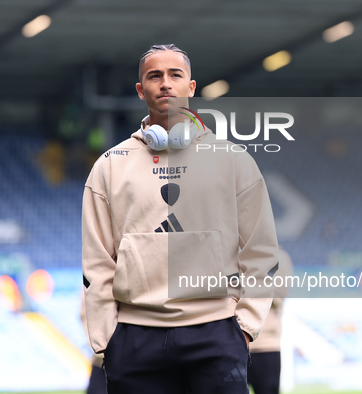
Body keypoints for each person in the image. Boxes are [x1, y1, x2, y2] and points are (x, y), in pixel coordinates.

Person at [82, 44, 279, 393]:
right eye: (154, 76)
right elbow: (97, 262)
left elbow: (261, 250)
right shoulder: (110, 166)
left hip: (217, 333)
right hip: (133, 339)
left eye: (176, 75)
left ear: (191, 86)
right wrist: (106, 340)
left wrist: (245, 326)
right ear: (141, 90)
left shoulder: (232, 160)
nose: (165, 84)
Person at [247, 247, 293, 394]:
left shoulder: (279, 257)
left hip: (266, 344)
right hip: (234, 343)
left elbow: (279, 294)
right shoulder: (231, 252)